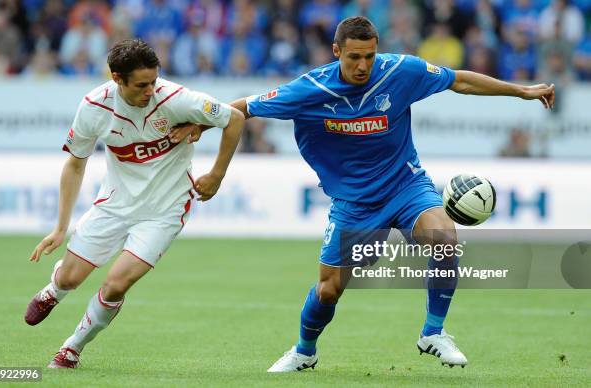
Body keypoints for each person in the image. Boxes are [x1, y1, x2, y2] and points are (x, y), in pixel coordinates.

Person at [170, 16, 555, 372]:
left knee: (444, 239)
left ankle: (433, 332)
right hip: (354, 203)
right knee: (329, 290)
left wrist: (520, 91)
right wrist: (204, 122)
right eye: (354, 57)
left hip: (406, 185)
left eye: (369, 56)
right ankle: (304, 351)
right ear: (337, 51)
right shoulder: (312, 88)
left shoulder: (400, 71)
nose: (363, 65)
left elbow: (460, 80)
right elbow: (244, 107)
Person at [24, 38, 244, 368]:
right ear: (117, 79)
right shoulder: (94, 107)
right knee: (71, 278)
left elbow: (234, 118)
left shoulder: (175, 98)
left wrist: (216, 173)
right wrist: (59, 228)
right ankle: (55, 289)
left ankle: (72, 347)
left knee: (116, 284)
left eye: (154, 81)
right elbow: (75, 163)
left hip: (164, 210)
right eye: (142, 85)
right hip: (114, 204)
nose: (150, 91)